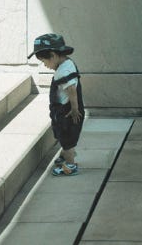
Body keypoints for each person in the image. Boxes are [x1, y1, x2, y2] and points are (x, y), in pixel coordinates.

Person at [28, 33, 84, 176]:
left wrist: (74, 109)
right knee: (64, 136)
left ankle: (70, 165)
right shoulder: (67, 63)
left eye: (44, 61)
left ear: (53, 55)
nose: (45, 65)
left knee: (67, 140)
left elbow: (72, 90)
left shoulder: (63, 71)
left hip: (67, 112)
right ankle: (66, 155)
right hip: (66, 110)